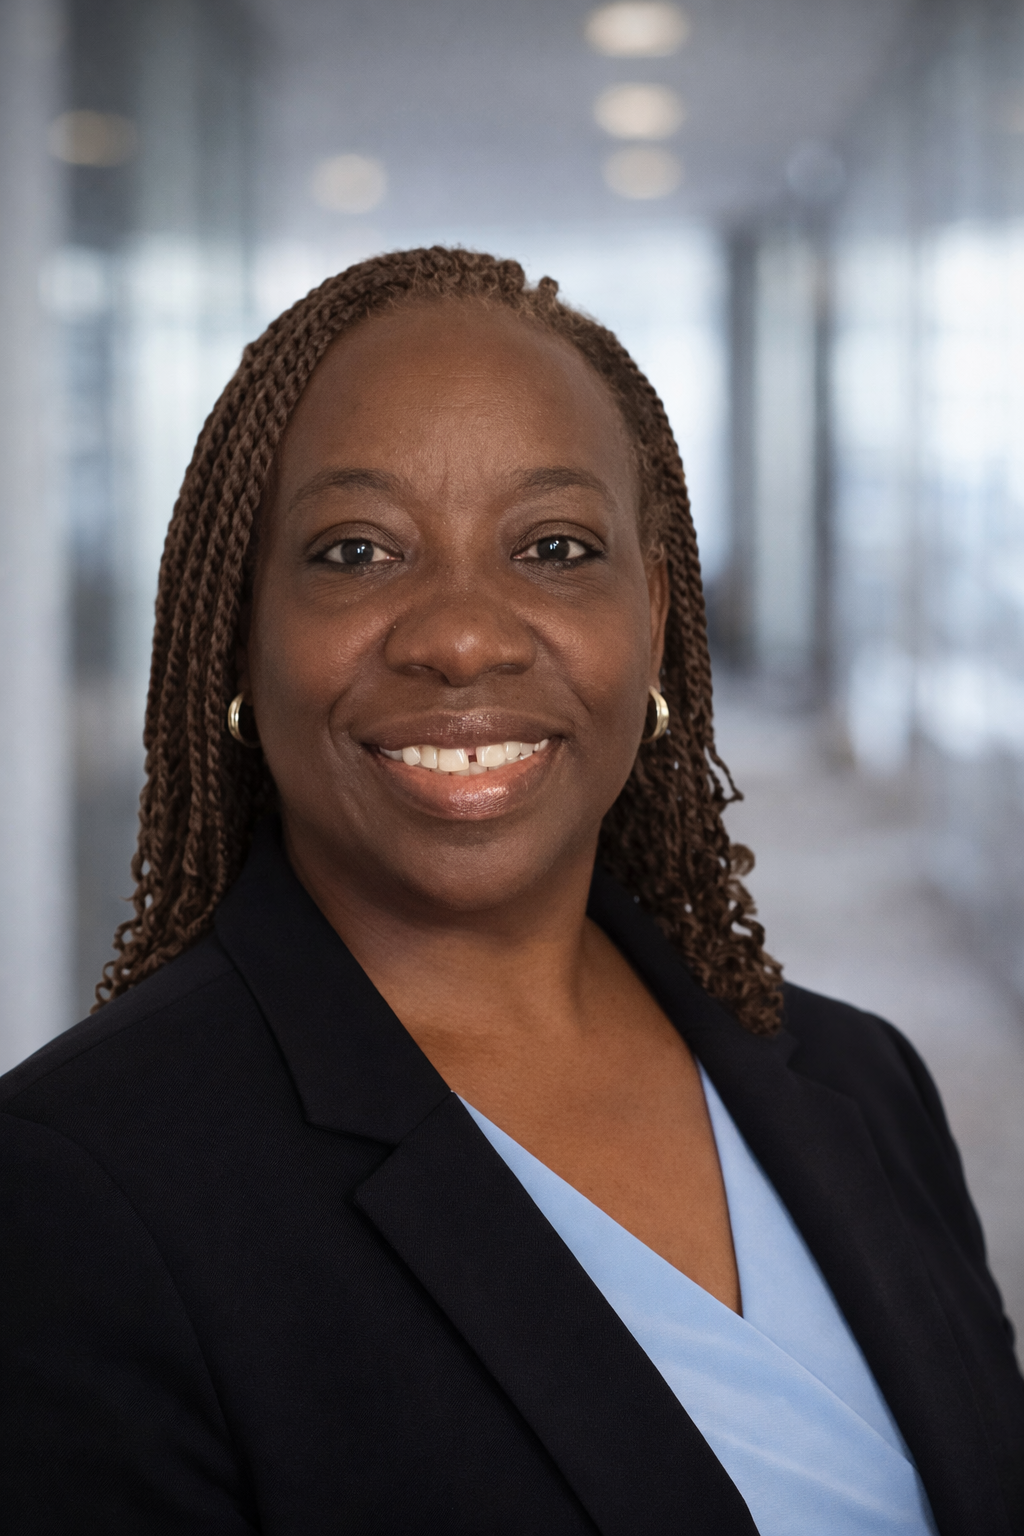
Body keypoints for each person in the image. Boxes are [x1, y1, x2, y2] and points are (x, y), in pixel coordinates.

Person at [1, 247, 1021, 1536]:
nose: (463, 634)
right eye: (356, 550)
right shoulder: (81, 1193)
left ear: (652, 618)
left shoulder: (859, 1081)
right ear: (240, 637)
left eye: (553, 545)